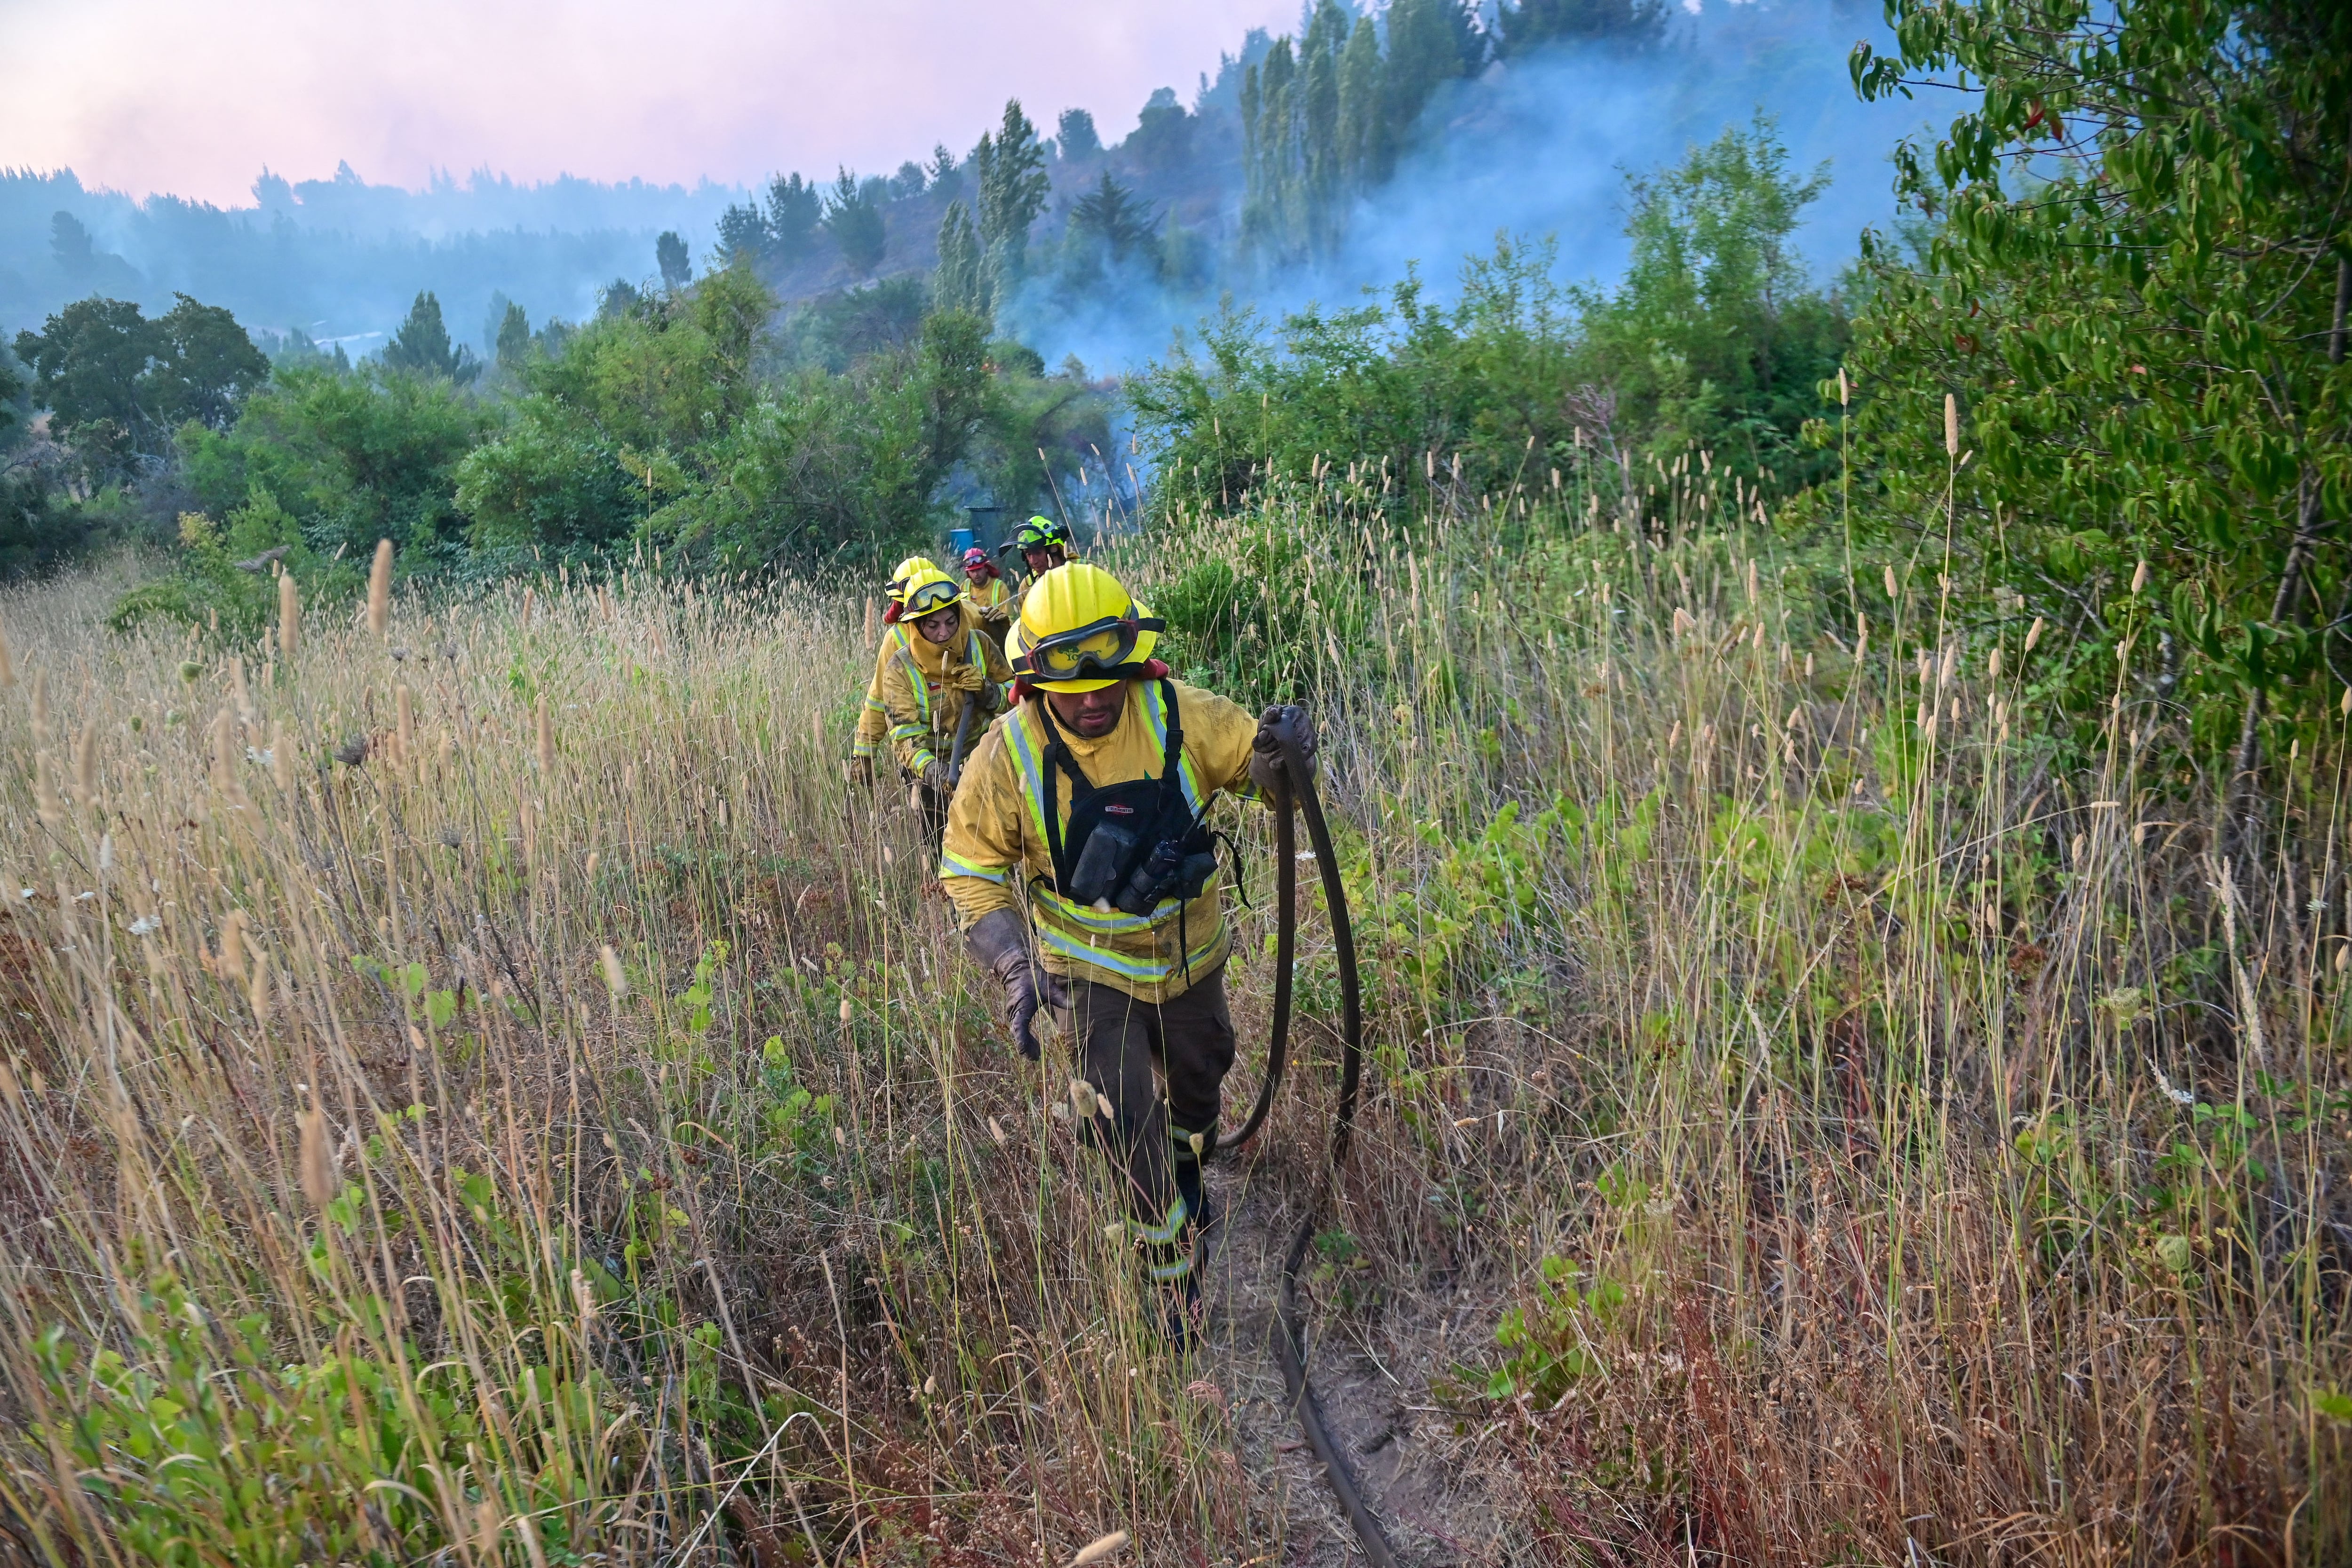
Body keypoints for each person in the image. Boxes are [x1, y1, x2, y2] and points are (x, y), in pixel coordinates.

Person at [940, 562, 1314, 1340]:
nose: (1091, 697)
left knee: (1202, 1082)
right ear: (1035, 676)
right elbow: (971, 870)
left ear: (1132, 656)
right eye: (1069, 684)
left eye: (1106, 674)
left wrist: (1283, 761)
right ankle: (1177, 1286)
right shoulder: (1006, 755)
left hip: (1190, 960)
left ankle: (1188, 1161)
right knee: (1122, 1131)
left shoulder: (1178, 712)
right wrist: (1015, 962)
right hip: (1088, 972)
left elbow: (1256, 762)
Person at [882, 562, 1012, 851]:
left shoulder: (980, 645)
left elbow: (1018, 699)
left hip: (986, 763)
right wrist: (937, 774)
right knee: (943, 851)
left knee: (996, 846)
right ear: (915, 626)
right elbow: (904, 738)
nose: (944, 634)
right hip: (933, 780)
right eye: (933, 625)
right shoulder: (899, 668)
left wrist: (988, 692)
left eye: (951, 623)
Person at [852, 555, 940, 779]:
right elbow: (879, 698)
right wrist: (865, 753)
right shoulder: (897, 639)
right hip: (920, 751)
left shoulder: (966, 621)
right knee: (929, 814)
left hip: (968, 748)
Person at [1001, 515, 1075, 612]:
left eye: (1038, 553)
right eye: (1028, 554)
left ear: (1054, 548)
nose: (1033, 561)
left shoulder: (1083, 570)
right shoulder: (1027, 586)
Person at [961, 545, 1014, 653]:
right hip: (973, 643)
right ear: (968, 572)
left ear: (986, 568)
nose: (976, 574)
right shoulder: (964, 587)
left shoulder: (999, 587)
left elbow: (1010, 620)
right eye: (972, 571)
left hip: (997, 643)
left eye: (979, 569)